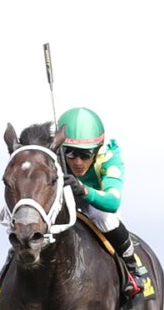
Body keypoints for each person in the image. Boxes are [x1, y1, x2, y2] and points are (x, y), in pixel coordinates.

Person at [58, 106, 150, 299]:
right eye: (71, 153)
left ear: (98, 149)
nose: (78, 162)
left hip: (96, 201)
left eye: (85, 154)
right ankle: (11, 267)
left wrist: (83, 189)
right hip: (64, 198)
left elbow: (112, 202)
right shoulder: (54, 154)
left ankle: (132, 268)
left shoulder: (109, 157)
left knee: (104, 217)